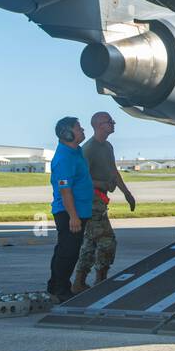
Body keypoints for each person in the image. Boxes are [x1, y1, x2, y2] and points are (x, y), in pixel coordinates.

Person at [71, 111, 136, 293]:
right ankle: (100, 280)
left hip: (100, 200)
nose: (113, 124)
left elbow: (114, 171)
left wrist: (127, 193)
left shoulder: (107, 146)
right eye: (110, 122)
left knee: (90, 243)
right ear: (99, 125)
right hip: (90, 200)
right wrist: (103, 184)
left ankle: (80, 282)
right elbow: (81, 179)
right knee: (107, 241)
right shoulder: (89, 149)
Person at [46, 116, 94, 303]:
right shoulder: (64, 158)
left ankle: (56, 285)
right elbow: (65, 191)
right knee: (68, 252)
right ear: (67, 133)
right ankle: (60, 289)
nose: (83, 131)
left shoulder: (76, 152)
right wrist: (73, 217)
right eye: (79, 128)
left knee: (67, 251)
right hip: (69, 212)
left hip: (79, 211)